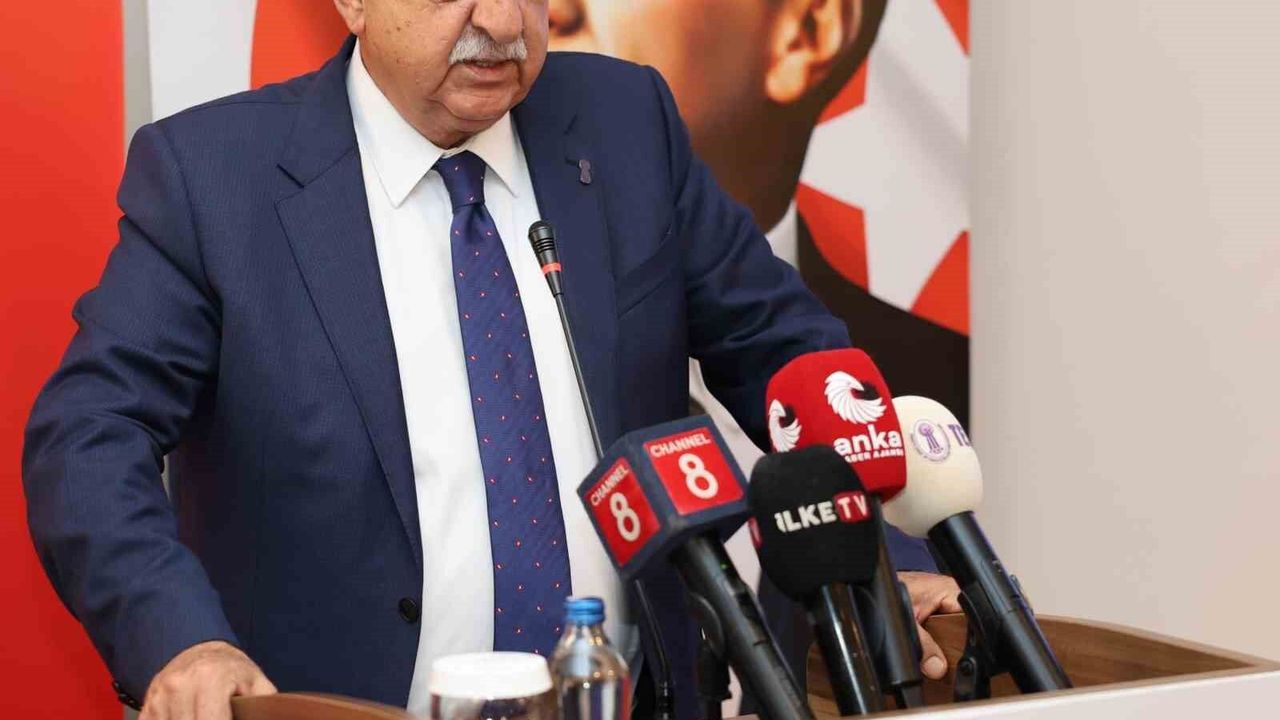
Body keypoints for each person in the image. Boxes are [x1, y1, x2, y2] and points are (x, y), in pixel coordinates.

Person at [23, 3, 959, 720]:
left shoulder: (625, 123)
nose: (505, 23)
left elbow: (789, 358)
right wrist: (181, 642)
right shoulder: (213, 177)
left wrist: (895, 558)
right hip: (339, 707)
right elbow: (88, 437)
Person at [548, 0, 966, 690]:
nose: (542, 9)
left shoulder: (625, 118)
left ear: (808, 30)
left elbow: (778, 350)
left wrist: (878, 558)